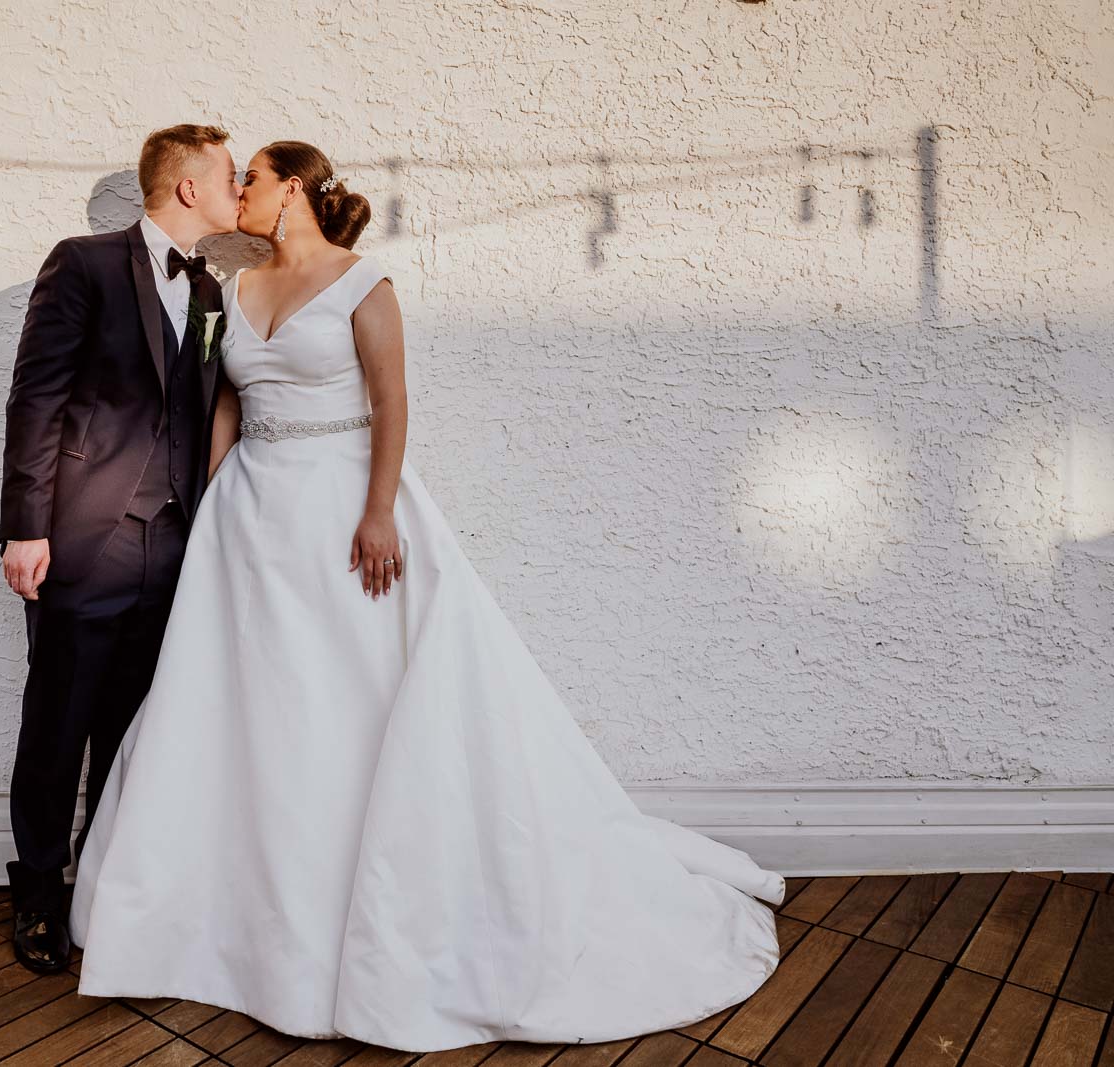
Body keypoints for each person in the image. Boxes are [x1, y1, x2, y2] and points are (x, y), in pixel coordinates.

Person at [66, 140, 788, 1052]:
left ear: (293, 187)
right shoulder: (234, 290)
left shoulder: (367, 286)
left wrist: (377, 514)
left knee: (358, 702)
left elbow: (392, 401)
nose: (237, 191)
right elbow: (227, 409)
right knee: (260, 711)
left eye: (250, 177)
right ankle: (243, 919)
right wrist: (206, 511)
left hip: (343, 512)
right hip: (251, 525)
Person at [0, 123, 241, 973]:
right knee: (59, 721)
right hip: (81, 542)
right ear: (187, 189)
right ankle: (35, 896)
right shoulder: (85, 263)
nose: (238, 192)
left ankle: (99, 888)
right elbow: (37, 400)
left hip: (172, 549)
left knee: (134, 730)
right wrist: (25, 526)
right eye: (230, 179)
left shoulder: (212, 292)